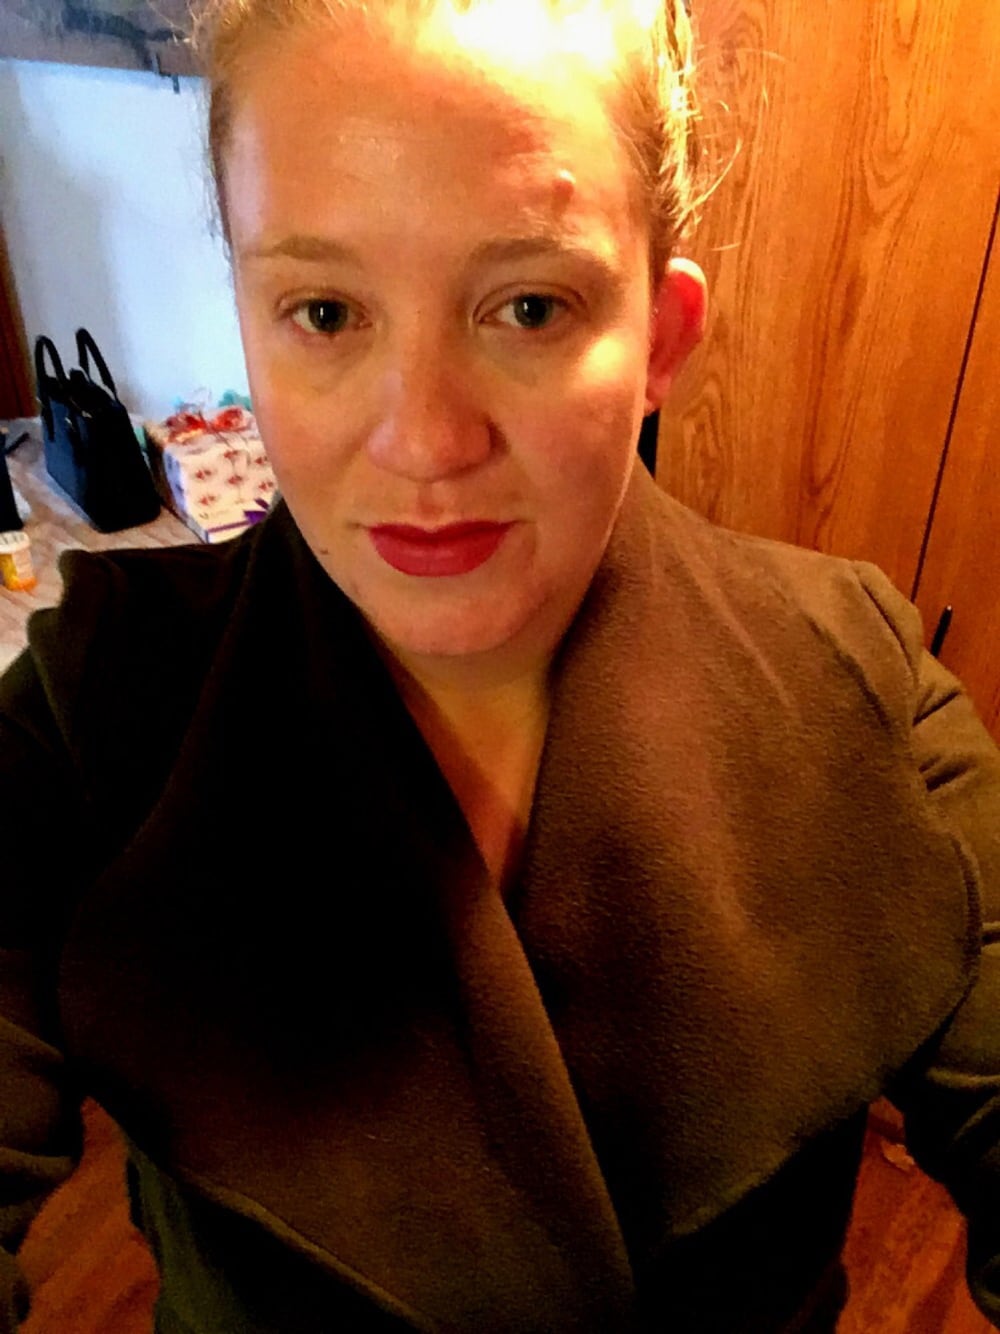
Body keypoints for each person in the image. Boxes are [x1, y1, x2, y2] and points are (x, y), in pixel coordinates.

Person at [0, 0, 998, 1329]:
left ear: (661, 338)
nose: (424, 441)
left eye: (527, 306)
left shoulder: (867, 697)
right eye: (325, 311)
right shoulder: (88, 723)